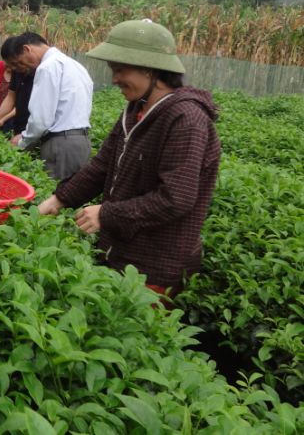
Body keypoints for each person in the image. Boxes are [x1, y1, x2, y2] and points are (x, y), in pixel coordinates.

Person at [38, 19, 221, 302]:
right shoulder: (136, 109)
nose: (114, 79)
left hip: (155, 267)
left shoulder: (186, 119)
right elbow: (102, 165)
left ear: (149, 68)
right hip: (120, 251)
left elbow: (177, 197)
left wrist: (107, 214)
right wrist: (59, 199)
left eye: (120, 69)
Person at [7, 32, 93, 180]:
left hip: (60, 146)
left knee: (55, 198)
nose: (24, 67)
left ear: (27, 49)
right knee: (73, 196)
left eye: (21, 62)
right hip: (81, 142)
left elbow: (41, 119)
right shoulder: (76, 66)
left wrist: (22, 141)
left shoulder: (47, 67)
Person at [0, 35, 36, 135]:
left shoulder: (41, 72)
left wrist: (3, 118)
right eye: (11, 64)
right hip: (19, 128)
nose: (14, 67)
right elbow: (10, 98)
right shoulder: (17, 71)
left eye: (16, 63)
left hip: (33, 130)